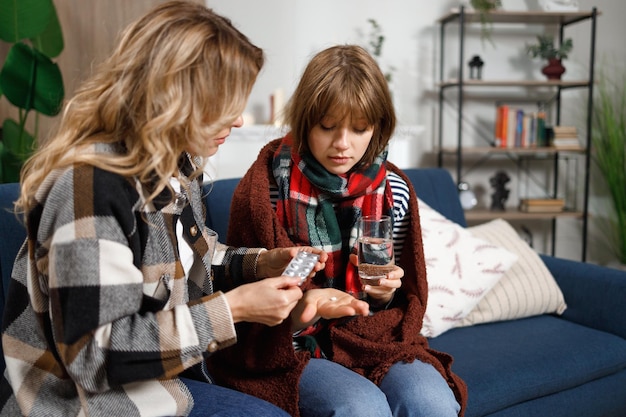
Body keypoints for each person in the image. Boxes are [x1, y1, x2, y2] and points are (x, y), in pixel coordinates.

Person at [0, 2, 334, 416]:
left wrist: (261, 265)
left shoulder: (175, 168)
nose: (239, 121)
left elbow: (196, 260)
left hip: (166, 382)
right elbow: (96, 354)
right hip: (90, 405)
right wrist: (236, 308)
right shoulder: (86, 188)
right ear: (175, 97)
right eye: (225, 102)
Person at [206, 45, 468, 417]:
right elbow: (242, 305)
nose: (343, 143)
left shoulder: (393, 189)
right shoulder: (264, 189)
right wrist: (303, 312)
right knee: (360, 409)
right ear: (305, 120)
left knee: (432, 403)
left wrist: (381, 295)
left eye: (359, 128)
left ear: (378, 126)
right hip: (291, 346)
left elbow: (398, 305)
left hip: (372, 337)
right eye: (327, 126)